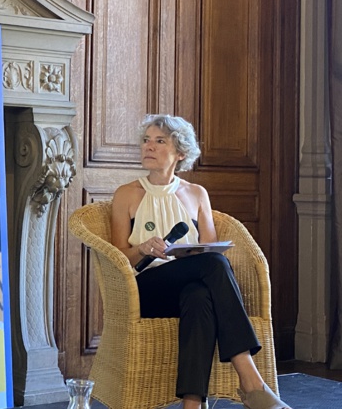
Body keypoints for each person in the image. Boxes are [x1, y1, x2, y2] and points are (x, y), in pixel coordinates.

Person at [111, 114, 290, 409]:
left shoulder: (196, 194)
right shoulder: (126, 195)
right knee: (215, 268)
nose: (149, 147)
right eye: (146, 140)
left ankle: (192, 403)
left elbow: (211, 249)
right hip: (145, 288)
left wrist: (188, 253)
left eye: (159, 141)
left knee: (199, 295)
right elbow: (119, 258)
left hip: (189, 285)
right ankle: (250, 380)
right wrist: (143, 248)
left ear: (180, 153)